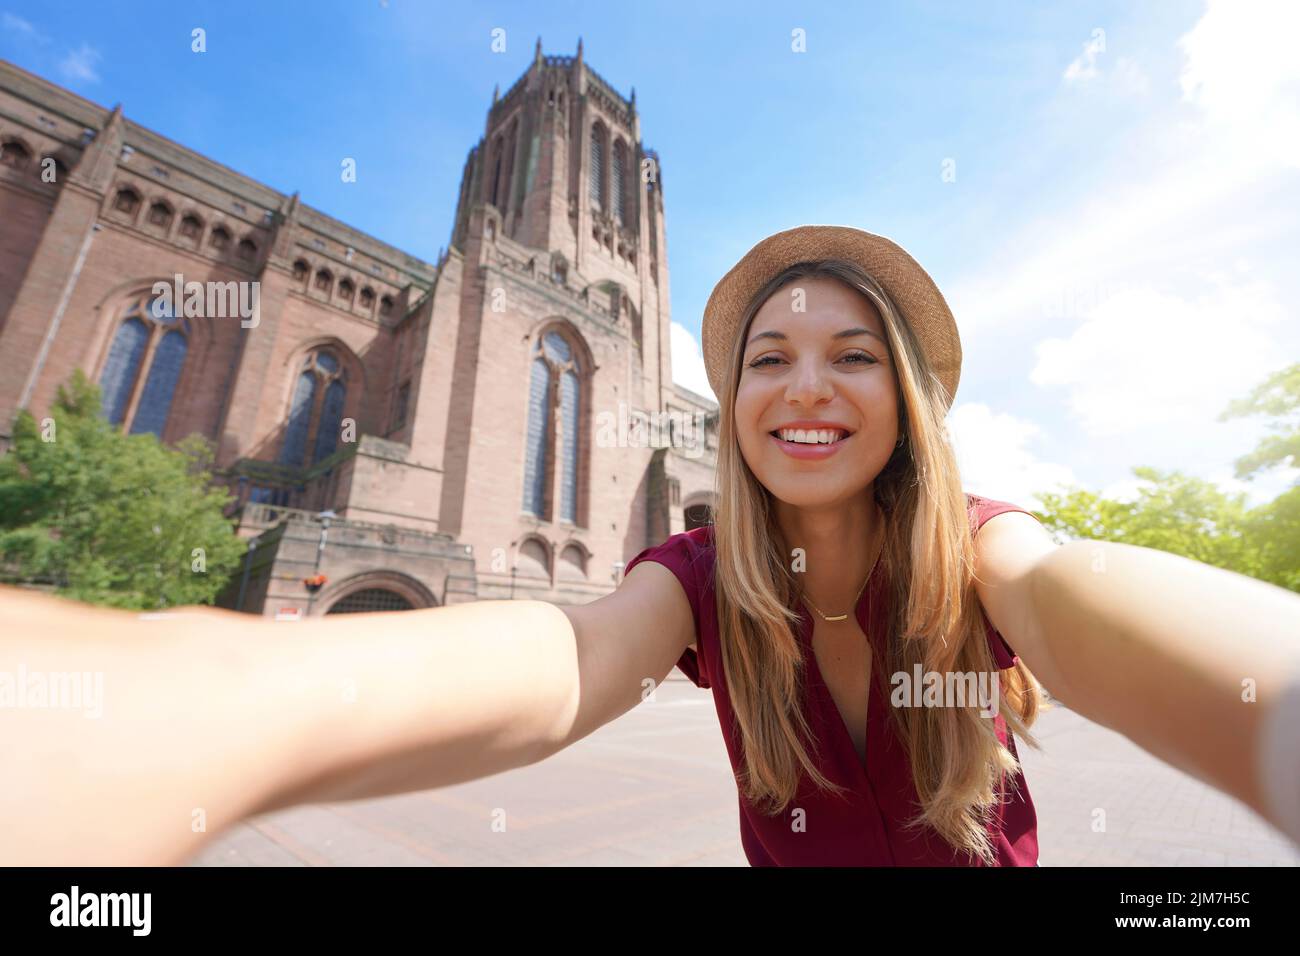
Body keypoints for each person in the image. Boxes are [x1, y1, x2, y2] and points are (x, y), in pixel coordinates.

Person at [2, 225, 1298, 866]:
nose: (807, 387)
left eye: (854, 357)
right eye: (768, 359)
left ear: (905, 401)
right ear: (724, 406)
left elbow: (1111, 613)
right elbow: (562, 656)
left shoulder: (986, 554)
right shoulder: (695, 586)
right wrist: (162, 710)